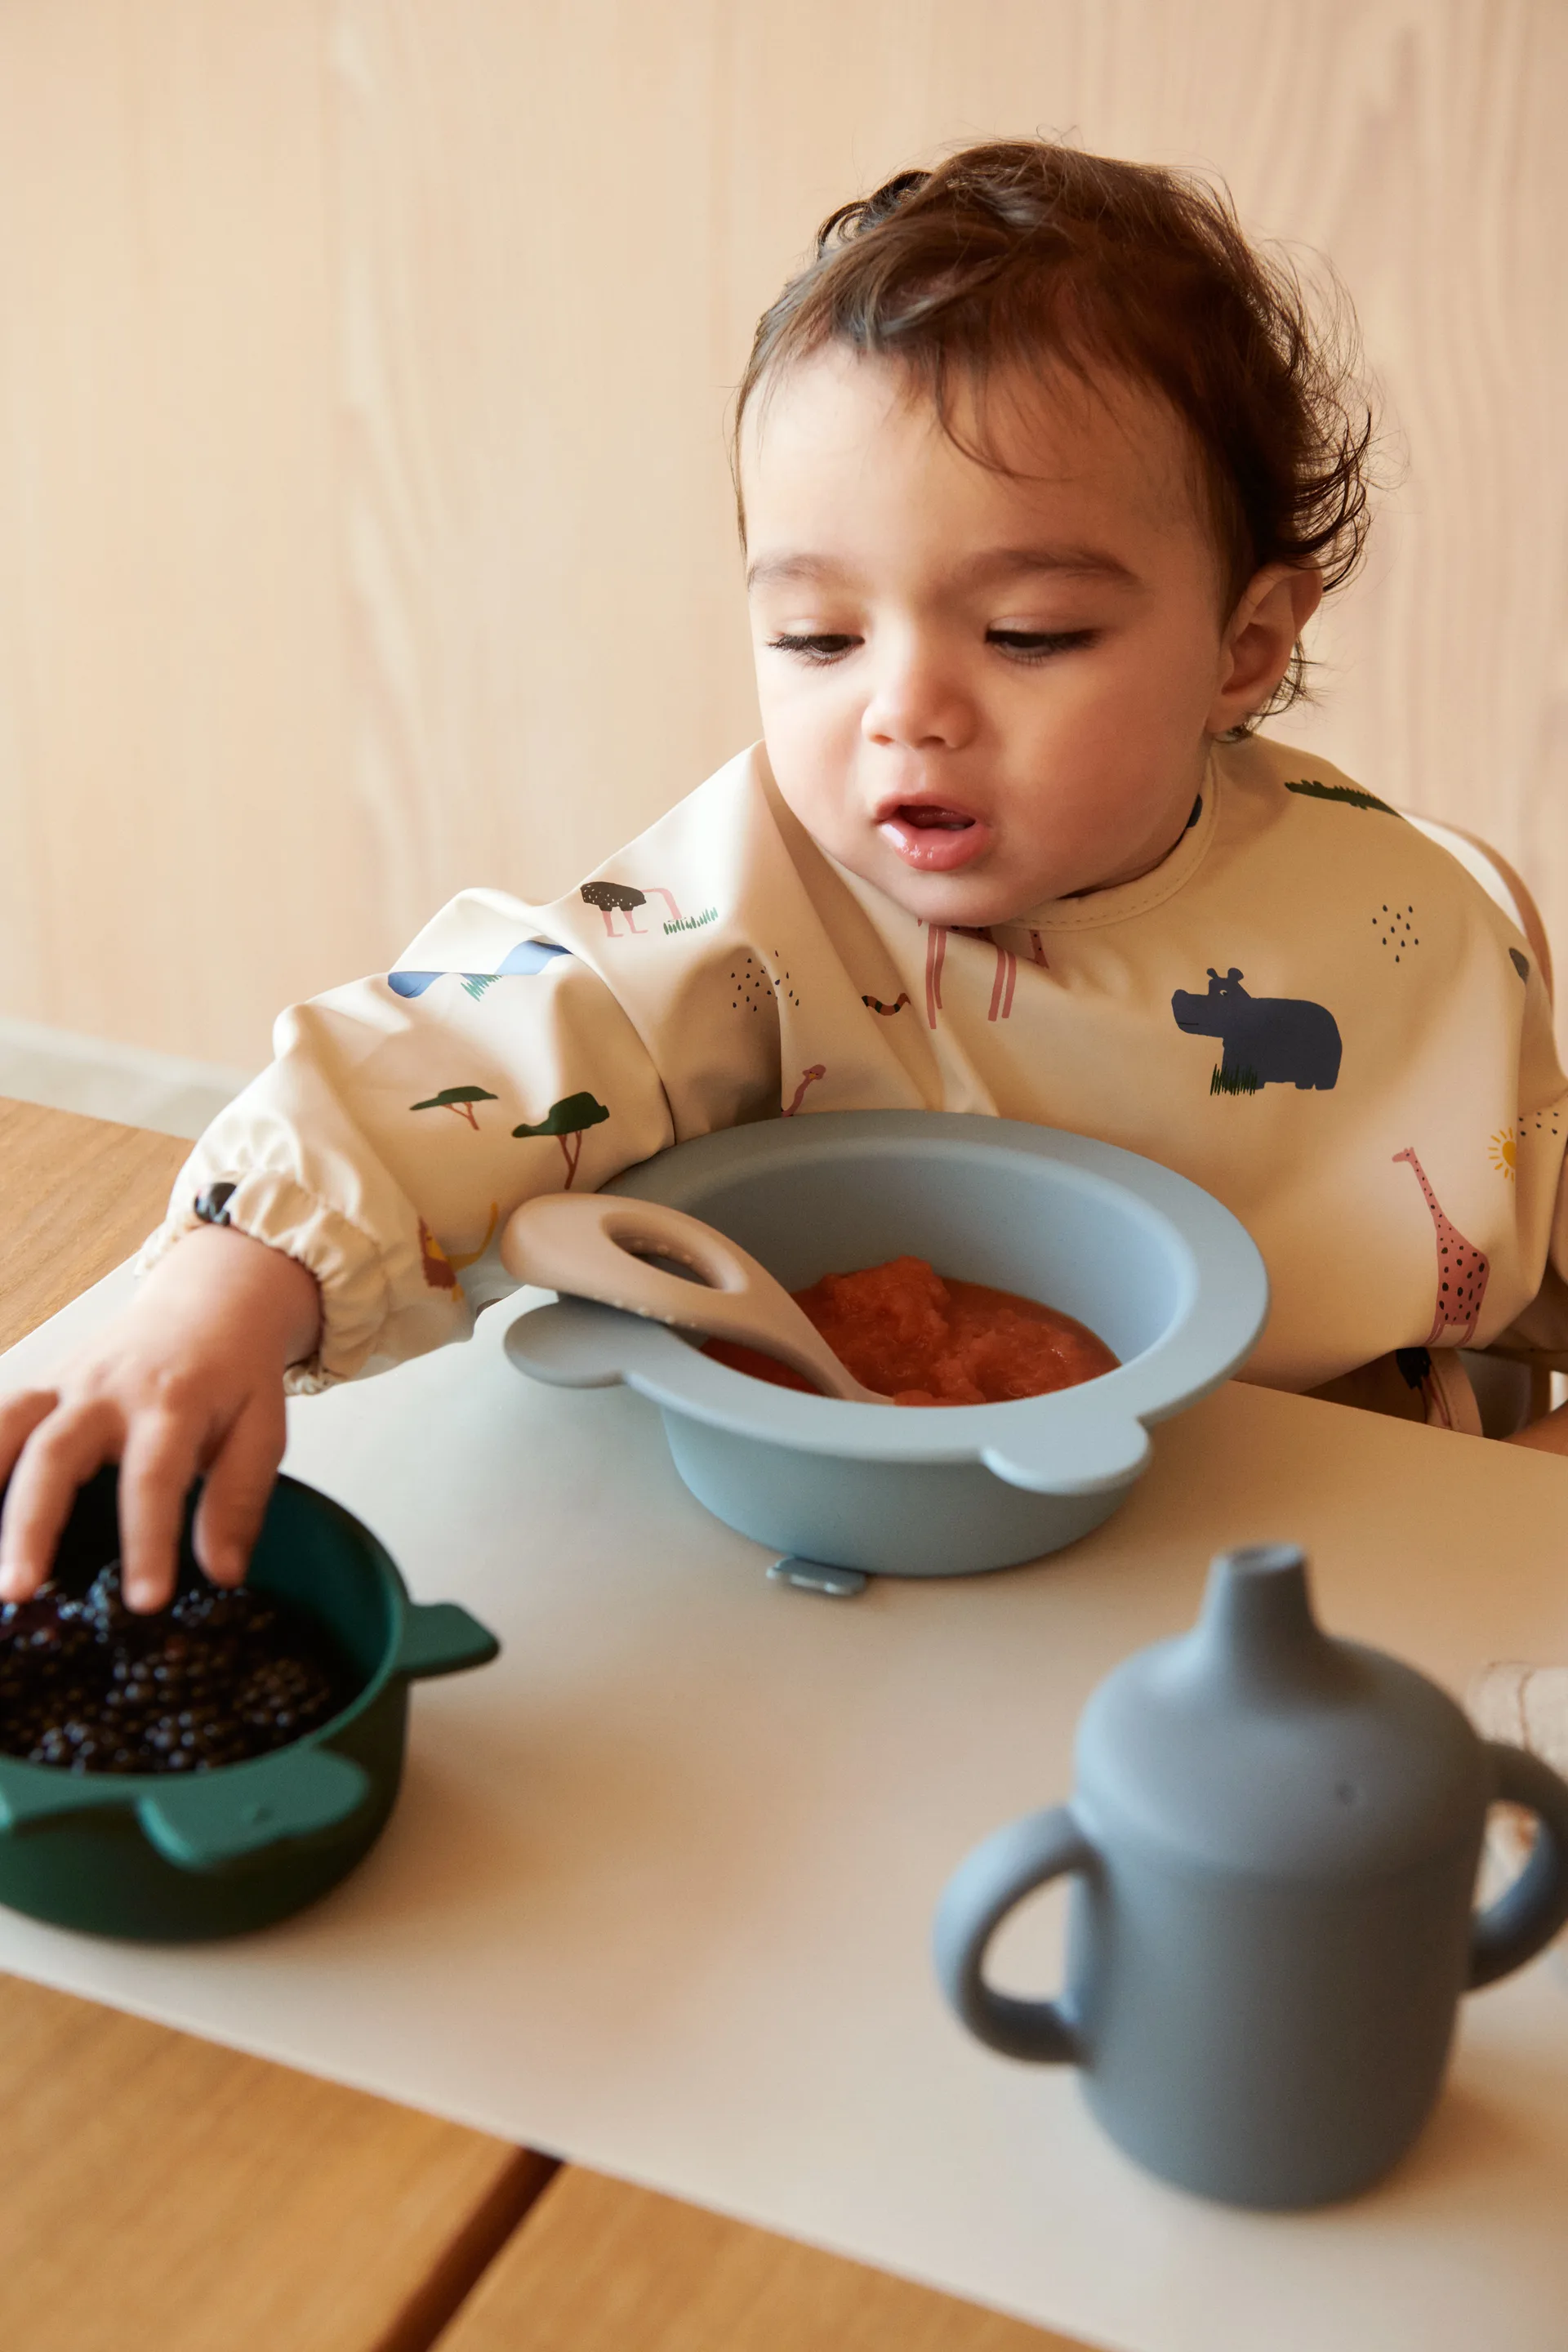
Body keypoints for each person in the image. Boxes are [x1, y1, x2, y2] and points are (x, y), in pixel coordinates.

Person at [5, 138, 1567, 1615]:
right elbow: (465, 1055)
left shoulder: (1408, 923)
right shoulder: (745, 906)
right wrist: (222, 1289)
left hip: (1335, 1577)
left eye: (1027, 634)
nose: (905, 709)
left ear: (1245, 647)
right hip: (856, 1565)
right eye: (818, 638)